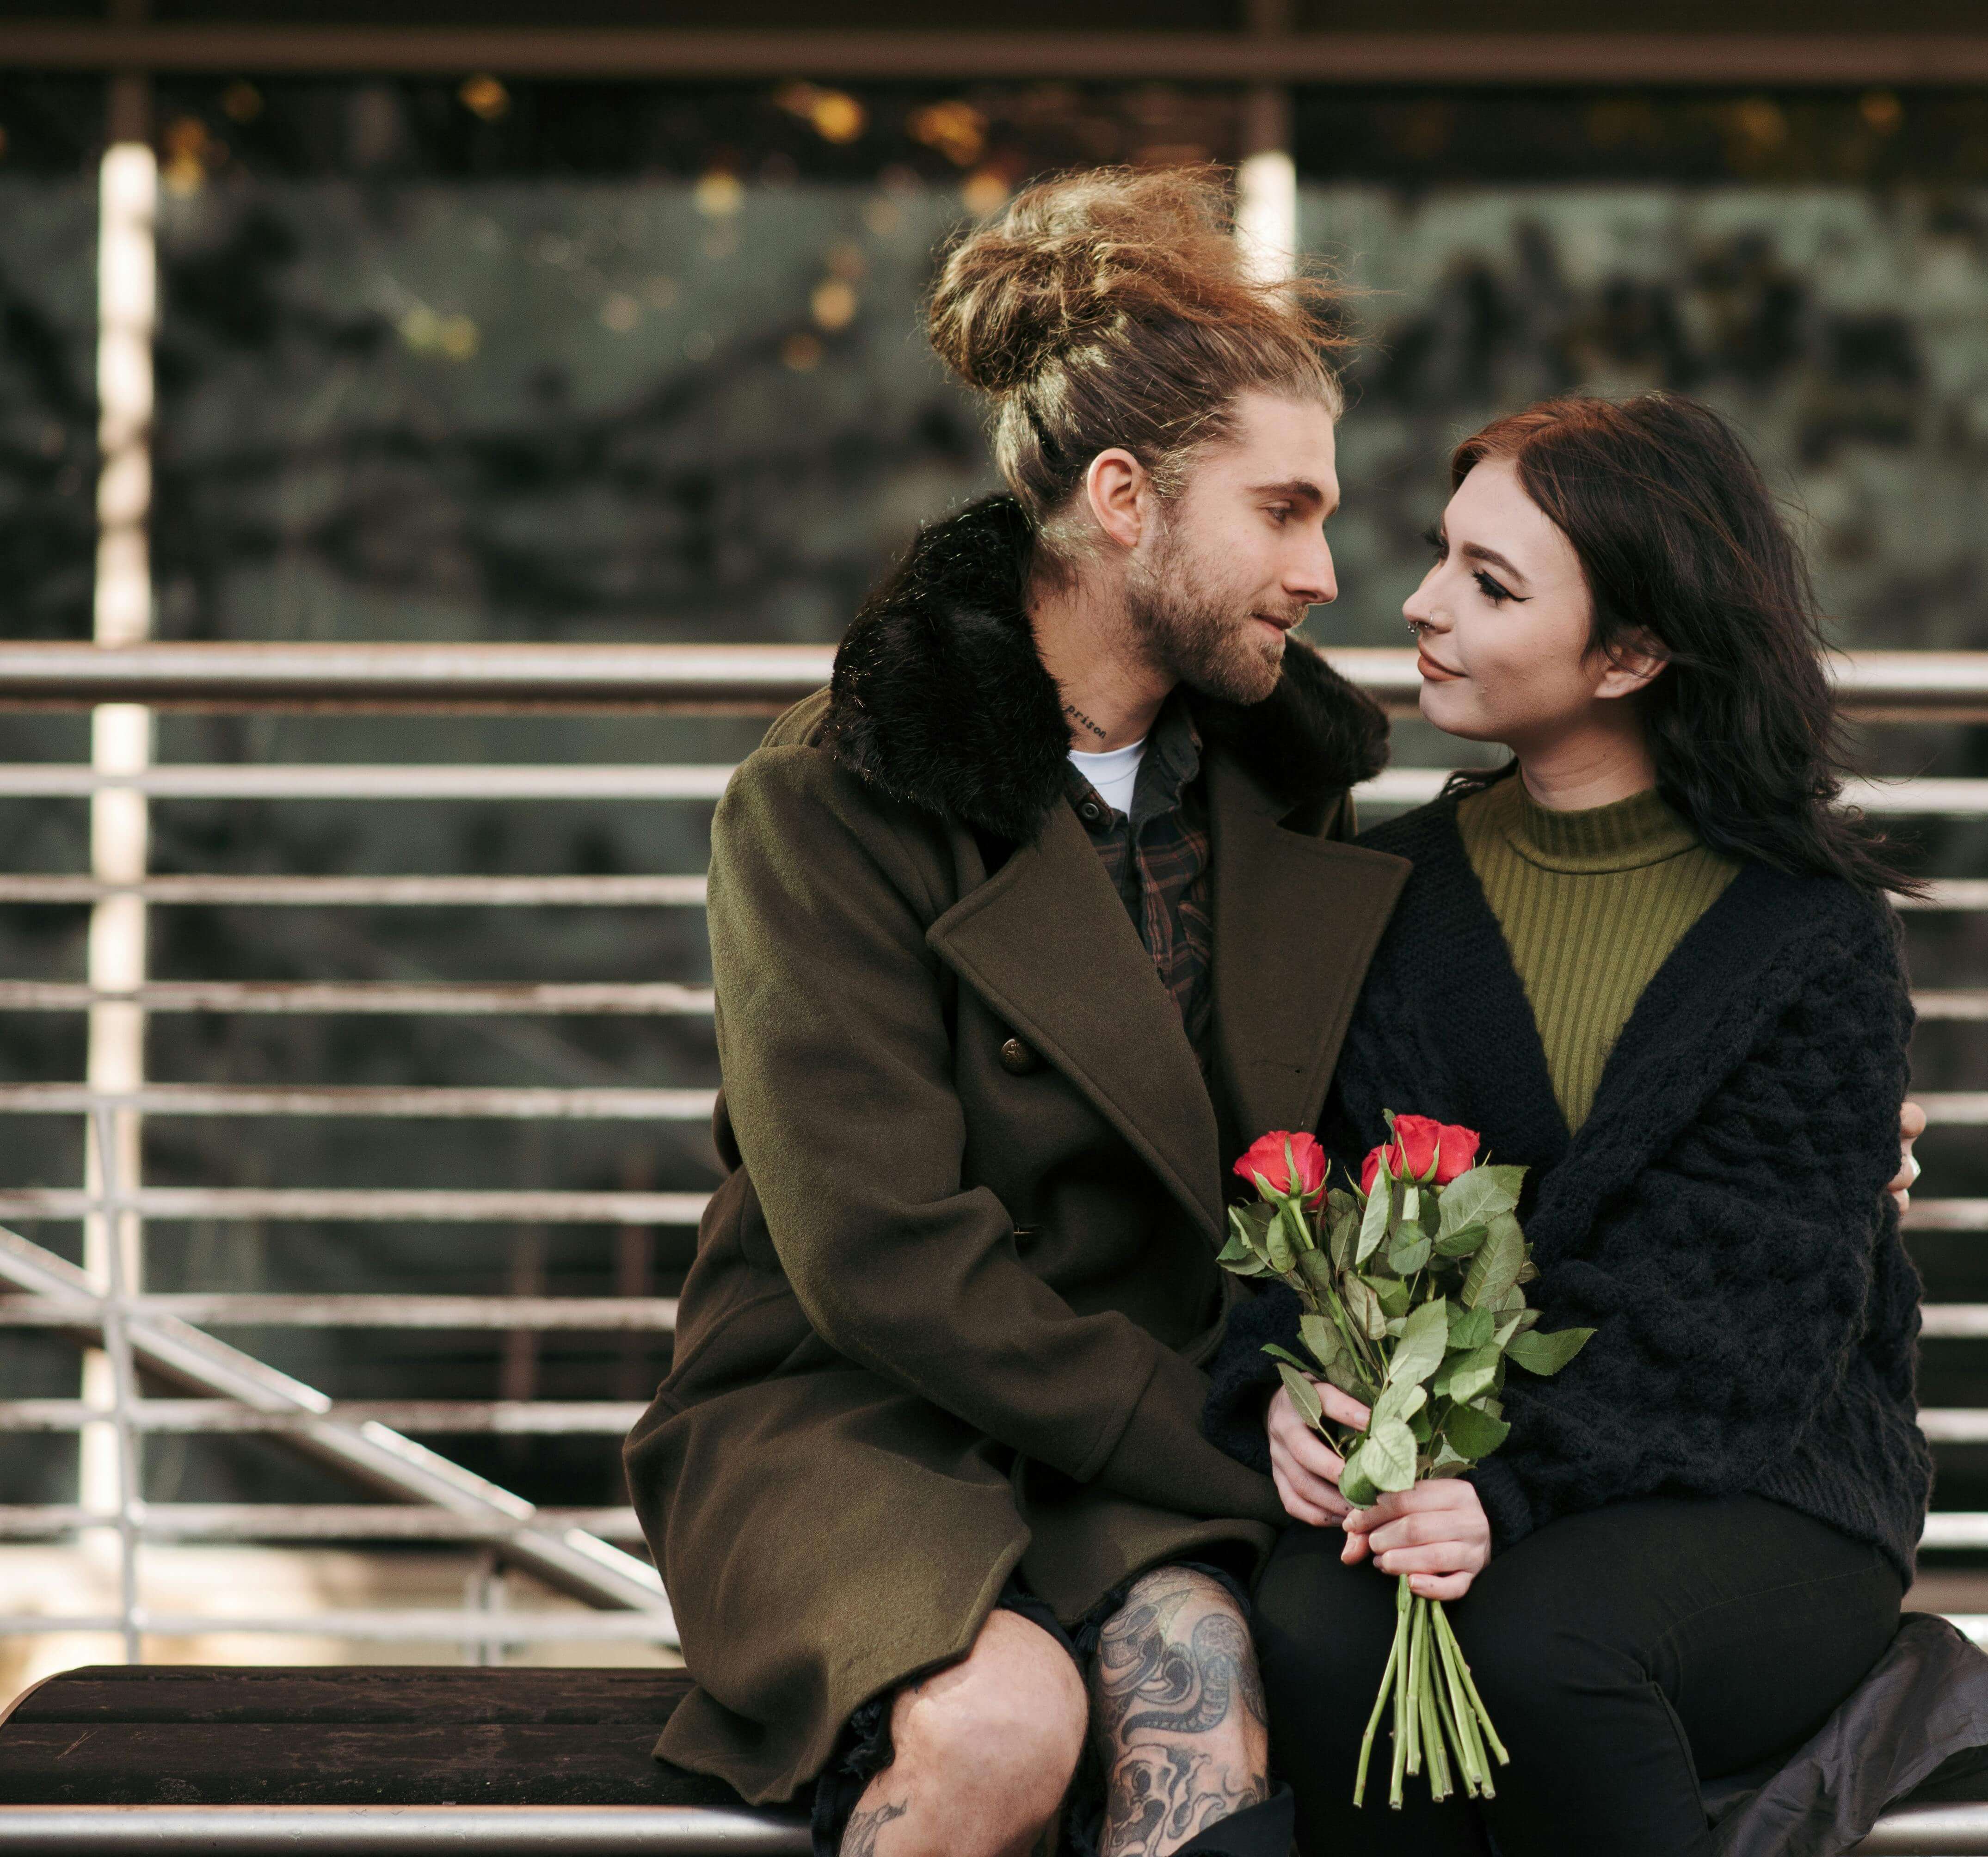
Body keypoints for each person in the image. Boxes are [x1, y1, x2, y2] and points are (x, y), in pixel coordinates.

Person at [623, 168, 1411, 1857]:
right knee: (1002, 1727)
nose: (1328, 572)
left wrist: (1825, 1095)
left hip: (1140, 1418)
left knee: (1205, 1679)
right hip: (847, 1411)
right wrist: (1215, 1436)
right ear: (1124, 499)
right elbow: (877, 1257)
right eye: (1283, 513)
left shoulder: (1281, 792)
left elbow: (1494, 970)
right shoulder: (832, 797)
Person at [1203, 392, 1933, 1857]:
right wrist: (1288, 1391)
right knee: (1325, 1640)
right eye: (1440, 558)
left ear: (1632, 654)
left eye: (1490, 585)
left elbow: (1747, 1313)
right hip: (1431, 1485)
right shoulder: (1389, 893)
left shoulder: (1808, 937)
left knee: (1547, 1656)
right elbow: (1318, 1205)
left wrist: (1508, 1483)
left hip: (1763, 1480)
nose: (1416, 604)